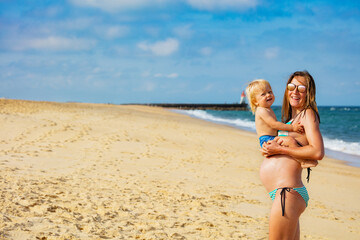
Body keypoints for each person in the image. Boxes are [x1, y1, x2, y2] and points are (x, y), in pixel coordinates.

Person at [260, 71, 324, 240]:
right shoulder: (290, 121)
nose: (295, 91)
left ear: (308, 93)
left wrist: (281, 150)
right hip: (282, 193)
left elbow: (318, 152)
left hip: (287, 192)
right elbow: (305, 153)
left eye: (301, 88)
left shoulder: (307, 114)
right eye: (291, 86)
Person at [246, 79, 304, 148]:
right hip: (267, 139)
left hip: (272, 137)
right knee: (290, 141)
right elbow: (274, 124)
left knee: (291, 138)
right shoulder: (261, 110)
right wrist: (292, 127)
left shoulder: (267, 109)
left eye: (270, 92)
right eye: (263, 94)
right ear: (255, 101)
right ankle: (300, 156)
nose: (268, 95)